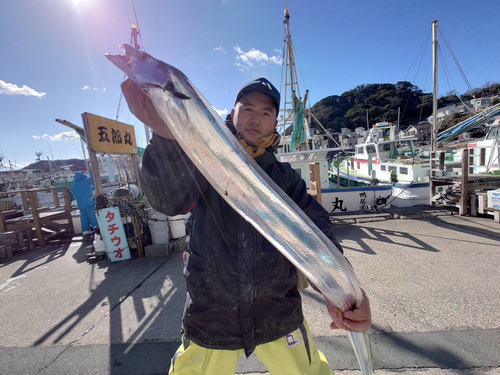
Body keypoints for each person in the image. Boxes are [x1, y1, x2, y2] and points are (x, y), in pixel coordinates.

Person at [121, 77, 371, 375]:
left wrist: (343, 289)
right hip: (210, 314)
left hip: (278, 311)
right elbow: (166, 200)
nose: (256, 117)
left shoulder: (286, 179)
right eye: (248, 108)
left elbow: (317, 233)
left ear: (275, 122)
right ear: (233, 112)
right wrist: (164, 136)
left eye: (266, 113)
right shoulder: (204, 161)